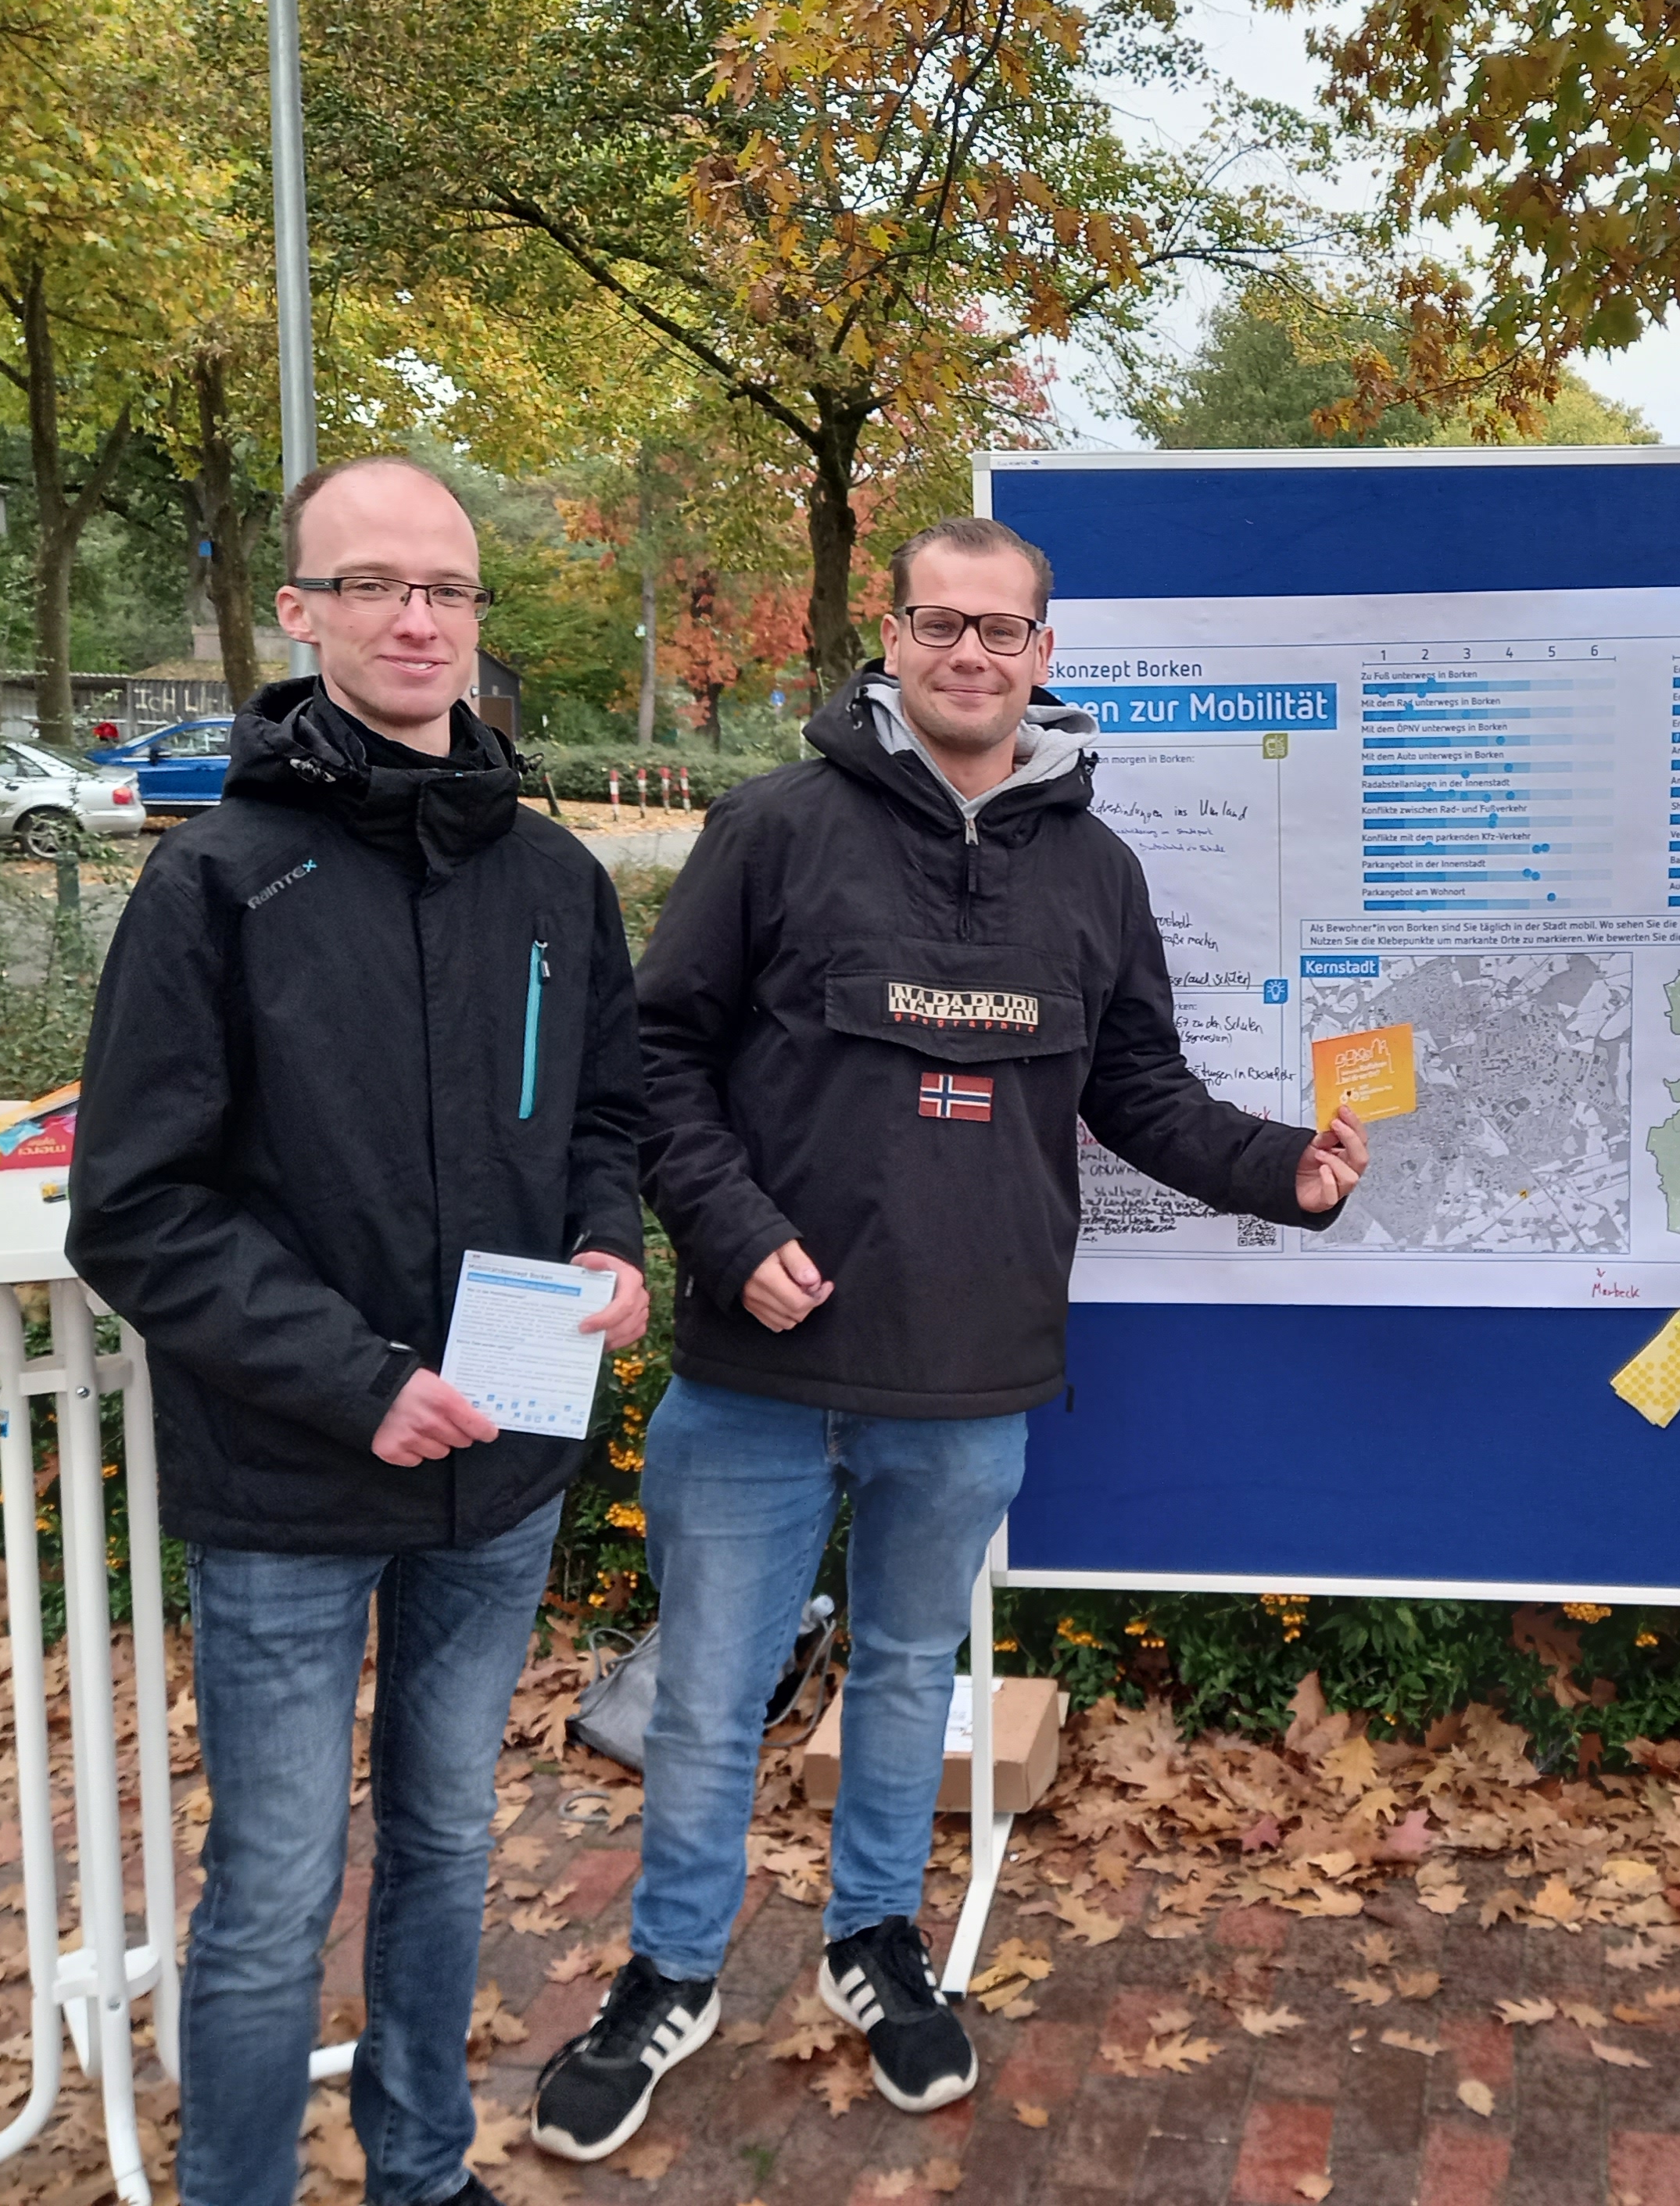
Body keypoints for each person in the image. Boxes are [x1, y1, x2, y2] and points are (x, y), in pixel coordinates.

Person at [531, 514, 1370, 2158]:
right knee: (711, 1691)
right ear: (892, 642)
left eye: (1002, 630)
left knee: (912, 1678)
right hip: (758, 1366)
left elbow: (1132, 1092)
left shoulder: (1095, 870)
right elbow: (655, 1062)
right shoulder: (774, 826)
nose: (971, 654)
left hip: (969, 1374)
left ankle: (871, 1944)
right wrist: (730, 1227)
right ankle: (670, 1975)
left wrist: (1288, 1170)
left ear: (1045, 654)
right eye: (941, 625)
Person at [69, 456, 650, 2206]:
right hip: (291, 1481)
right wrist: (359, 1384)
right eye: (374, 585)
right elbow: (137, 1209)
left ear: (480, 619)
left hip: (504, 1471)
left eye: (447, 590)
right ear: (300, 613)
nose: (417, 619)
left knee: (448, 1841)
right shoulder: (216, 885)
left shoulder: (555, 881)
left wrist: (610, 1253)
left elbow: (602, 1121)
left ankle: (419, 2170)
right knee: (270, 1891)